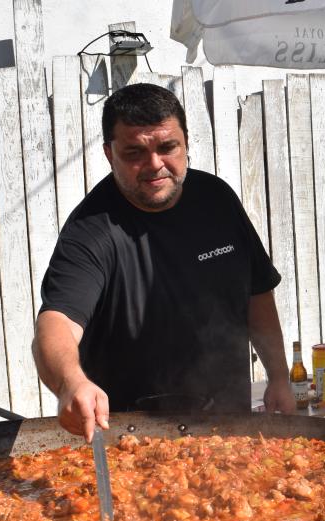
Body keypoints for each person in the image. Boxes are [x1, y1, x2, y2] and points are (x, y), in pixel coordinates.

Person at [32, 83, 294, 441]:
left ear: (186, 142)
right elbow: (56, 322)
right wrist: (71, 382)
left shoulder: (218, 199)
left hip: (230, 430)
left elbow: (257, 293)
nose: (154, 165)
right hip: (132, 438)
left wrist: (279, 377)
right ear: (110, 154)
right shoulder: (90, 230)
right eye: (134, 152)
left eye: (167, 147)